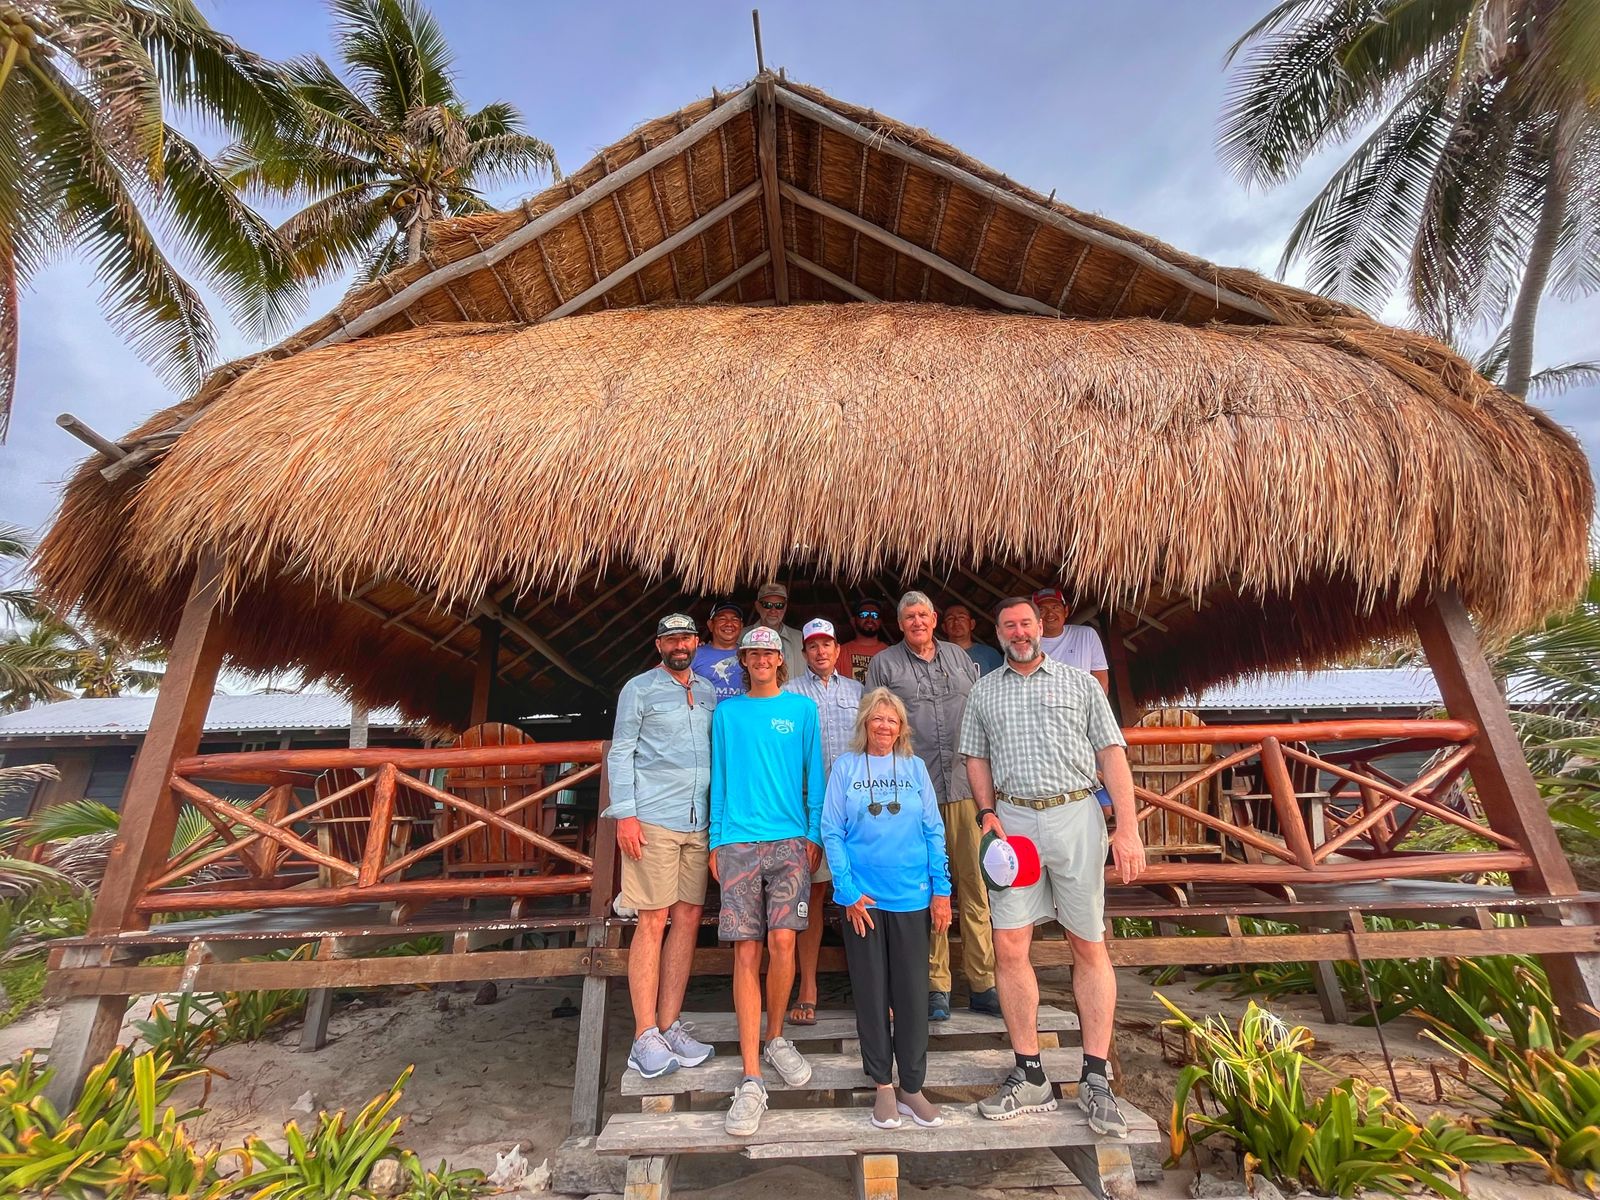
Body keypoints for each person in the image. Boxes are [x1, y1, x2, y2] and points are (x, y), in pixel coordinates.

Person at [959, 597, 1146, 1134]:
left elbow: (1112, 754)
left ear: (1040, 628)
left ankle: (1095, 1075)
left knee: (1087, 942)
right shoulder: (984, 690)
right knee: (1010, 944)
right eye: (1008, 625)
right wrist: (987, 811)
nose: (1018, 632)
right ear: (996, 634)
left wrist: (1126, 828)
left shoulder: (1081, 684)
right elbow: (976, 756)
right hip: (1014, 824)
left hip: (1075, 815)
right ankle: (1030, 1072)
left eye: (1025, 623)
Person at [710, 625, 827, 1136]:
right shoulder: (727, 713)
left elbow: (814, 775)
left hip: (788, 842)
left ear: (782, 660)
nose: (761, 659)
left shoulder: (802, 710)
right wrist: (716, 838)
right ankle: (752, 1075)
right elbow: (719, 777)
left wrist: (813, 832)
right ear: (744, 661)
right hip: (737, 842)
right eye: (753, 653)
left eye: (769, 653)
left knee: (784, 942)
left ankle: (777, 1035)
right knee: (745, 951)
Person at [822, 687, 953, 1130]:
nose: (883, 726)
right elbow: (832, 831)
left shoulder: (915, 768)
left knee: (914, 996)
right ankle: (882, 1085)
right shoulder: (845, 767)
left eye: (891, 720)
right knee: (872, 992)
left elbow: (934, 830)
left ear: (901, 728)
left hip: (913, 896)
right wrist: (847, 891)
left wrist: (942, 890)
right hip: (864, 901)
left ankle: (911, 1087)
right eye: (876, 718)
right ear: (865, 723)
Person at [864, 591, 998, 1022]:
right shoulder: (885, 663)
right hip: (912, 792)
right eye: (909, 617)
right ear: (900, 623)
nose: (917, 621)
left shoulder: (961, 660)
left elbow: (982, 716)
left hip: (962, 786)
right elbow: (875, 725)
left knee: (975, 888)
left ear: (935, 618)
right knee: (927, 889)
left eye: (923, 614)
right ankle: (935, 985)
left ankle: (983, 983)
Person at [604, 613, 720, 1080]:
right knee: (653, 919)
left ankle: (670, 1024)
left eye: (686, 637)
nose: (680, 645)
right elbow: (620, 751)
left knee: (689, 918)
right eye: (671, 639)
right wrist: (625, 814)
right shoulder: (639, 689)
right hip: (652, 819)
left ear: (696, 642)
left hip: (699, 821)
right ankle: (643, 1034)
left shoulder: (709, 691)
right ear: (659, 646)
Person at [781, 617, 864, 1026]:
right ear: (804, 652)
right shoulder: (789, 693)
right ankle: (808, 986)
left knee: (862, 893)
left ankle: (871, 985)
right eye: (812, 645)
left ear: (837, 649)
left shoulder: (858, 692)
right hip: (809, 807)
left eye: (827, 644)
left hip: (855, 808)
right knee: (812, 896)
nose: (820, 652)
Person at [1032, 588, 1110, 693]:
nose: (1050, 613)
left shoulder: (1086, 635)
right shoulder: (1026, 645)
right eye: (1042, 609)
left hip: (1082, 707)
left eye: (1055, 607)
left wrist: (1094, 707)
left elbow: (1101, 680)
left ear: (1066, 611)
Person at [743, 581, 805, 671]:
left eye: (779, 605)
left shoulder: (800, 638)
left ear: (785, 607)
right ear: (757, 606)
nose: (773, 610)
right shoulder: (742, 637)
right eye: (767, 605)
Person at [693, 598, 746, 701]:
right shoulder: (694, 654)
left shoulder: (750, 655)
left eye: (735, 620)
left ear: (741, 626)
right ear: (710, 625)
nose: (729, 624)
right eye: (722, 619)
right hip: (705, 716)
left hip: (741, 716)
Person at [942, 599, 1003, 676]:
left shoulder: (990, 654)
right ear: (944, 627)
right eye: (950, 618)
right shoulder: (936, 656)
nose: (956, 621)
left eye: (961, 617)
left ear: (972, 624)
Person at [837, 597, 891, 683]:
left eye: (875, 615)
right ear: (853, 621)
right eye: (864, 614)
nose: (870, 619)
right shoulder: (840, 653)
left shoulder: (891, 654)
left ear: (880, 621)